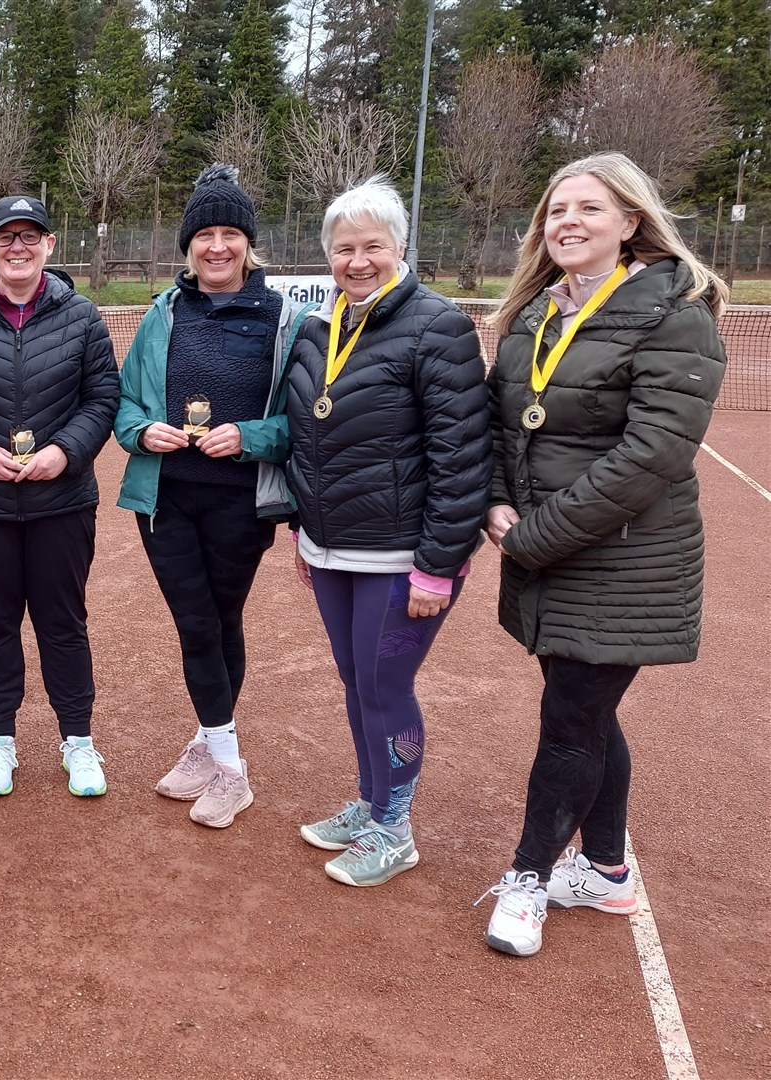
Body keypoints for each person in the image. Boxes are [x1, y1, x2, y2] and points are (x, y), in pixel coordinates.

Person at [475, 152, 727, 957]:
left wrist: (533, 537)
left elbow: (651, 454)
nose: (568, 222)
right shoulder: (537, 314)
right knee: (586, 712)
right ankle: (608, 870)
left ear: (630, 222)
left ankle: (525, 879)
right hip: (546, 553)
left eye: (589, 208)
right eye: (555, 210)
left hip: (620, 561)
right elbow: (497, 422)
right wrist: (494, 498)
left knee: (569, 721)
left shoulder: (674, 312)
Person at [283, 178, 490, 886]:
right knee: (354, 680)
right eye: (344, 248)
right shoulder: (319, 326)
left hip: (403, 555)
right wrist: (302, 532)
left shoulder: (438, 326)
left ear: (400, 247)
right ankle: (373, 803)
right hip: (333, 546)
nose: (358, 260)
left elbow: (461, 457)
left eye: (372, 245)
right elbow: (303, 439)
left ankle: (394, 829)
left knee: (385, 684)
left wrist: (437, 565)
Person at [115, 164, 314, 829]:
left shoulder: (287, 319)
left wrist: (251, 436)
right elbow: (123, 409)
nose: (217, 247)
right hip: (166, 499)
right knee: (196, 622)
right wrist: (146, 431)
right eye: (205, 235)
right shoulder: (161, 313)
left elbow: (308, 420)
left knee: (217, 622)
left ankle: (224, 763)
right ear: (189, 245)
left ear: (247, 244)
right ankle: (218, 751)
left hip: (240, 503)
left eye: (230, 233)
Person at [0, 194, 121, 797]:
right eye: (6, 236)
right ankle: (0, 738)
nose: (18, 247)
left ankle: (78, 741)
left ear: (50, 246)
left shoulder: (82, 316)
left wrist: (65, 452)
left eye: (30, 236)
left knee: (64, 624)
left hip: (62, 502)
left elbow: (102, 399)